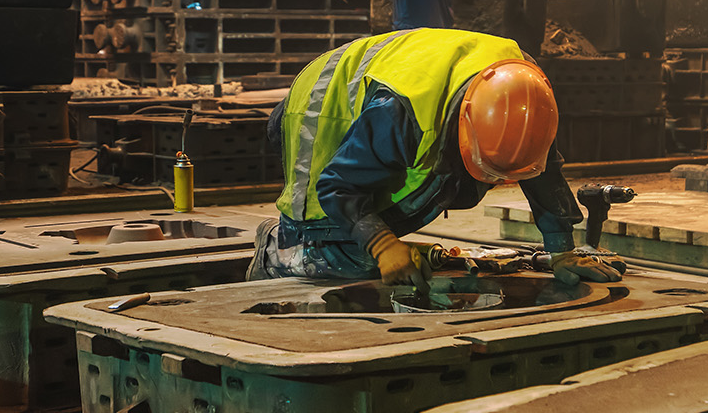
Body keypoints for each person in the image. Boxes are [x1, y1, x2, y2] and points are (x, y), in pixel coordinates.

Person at [248, 28, 623, 289]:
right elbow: (337, 187)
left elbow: (543, 172)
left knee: (396, 227)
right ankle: (278, 250)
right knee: (354, 257)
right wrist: (382, 245)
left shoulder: (524, 93)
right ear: (465, 126)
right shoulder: (400, 114)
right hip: (321, 104)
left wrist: (561, 250)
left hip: (390, 93)